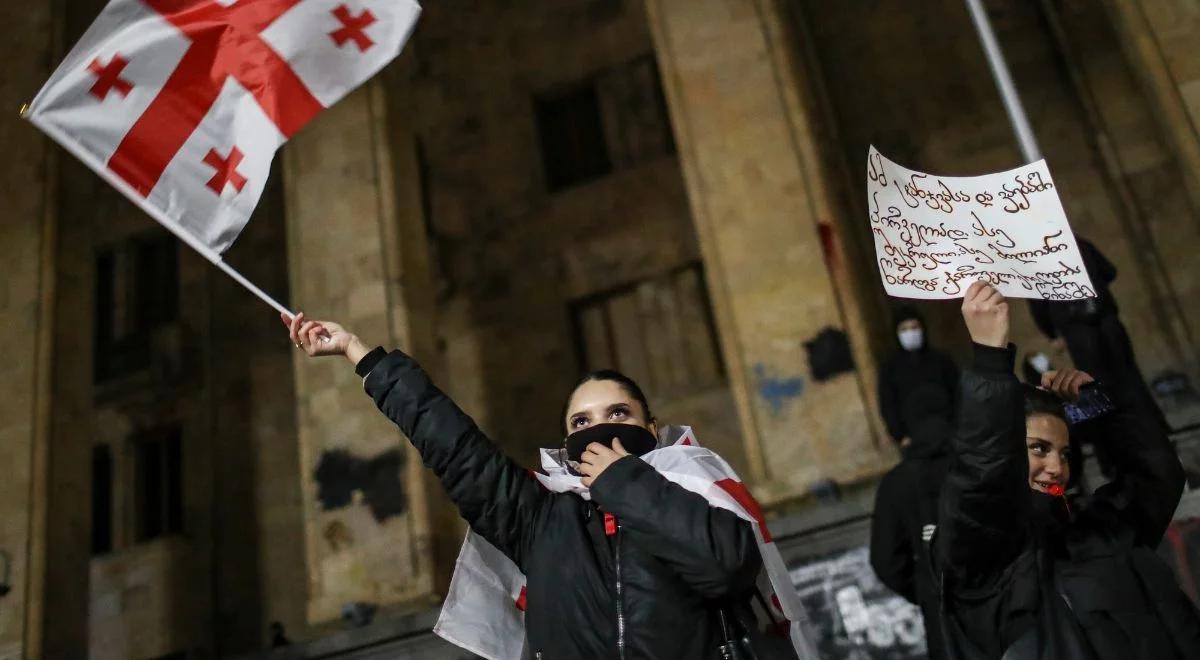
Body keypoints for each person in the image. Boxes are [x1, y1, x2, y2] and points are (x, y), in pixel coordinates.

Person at [281, 312, 801, 659]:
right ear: (565, 442)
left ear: (650, 428)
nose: (599, 428)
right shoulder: (539, 516)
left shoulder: (697, 489)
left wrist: (624, 480)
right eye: (582, 422)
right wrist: (357, 351)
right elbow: (452, 443)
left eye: (618, 413)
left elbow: (725, 566)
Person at [934, 281, 1200, 659]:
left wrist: (1101, 404)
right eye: (1038, 449)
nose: (1057, 466)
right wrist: (989, 358)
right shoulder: (988, 560)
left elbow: (1158, 473)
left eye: (1065, 452)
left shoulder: (1102, 528)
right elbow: (979, 484)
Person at [1028, 236, 1165, 430]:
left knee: (1095, 385)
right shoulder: (1080, 244)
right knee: (1128, 377)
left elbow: (1038, 304)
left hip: (1078, 328)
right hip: (1106, 320)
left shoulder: (1035, 259)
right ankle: (1152, 429)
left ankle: (1118, 437)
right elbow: (1109, 272)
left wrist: (1052, 334)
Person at [870, 384, 955, 660]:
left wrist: (923, 589)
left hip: (941, 603)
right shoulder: (977, 462)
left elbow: (885, 561)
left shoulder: (896, 483)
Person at [878, 306, 960, 447]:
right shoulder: (890, 368)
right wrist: (900, 436)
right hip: (914, 441)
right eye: (904, 329)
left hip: (949, 434)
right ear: (896, 333)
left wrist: (959, 426)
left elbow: (959, 393)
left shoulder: (941, 360)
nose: (910, 333)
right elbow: (887, 404)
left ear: (923, 329)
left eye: (914, 327)